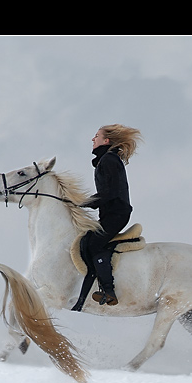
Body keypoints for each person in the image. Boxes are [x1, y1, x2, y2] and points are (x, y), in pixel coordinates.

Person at [80, 124, 141, 306]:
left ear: (106, 141)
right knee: (86, 241)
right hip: (111, 214)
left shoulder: (108, 159)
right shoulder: (105, 160)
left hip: (116, 214)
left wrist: (84, 203)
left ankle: (108, 290)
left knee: (94, 244)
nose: (93, 139)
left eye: (96, 136)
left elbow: (109, 192)